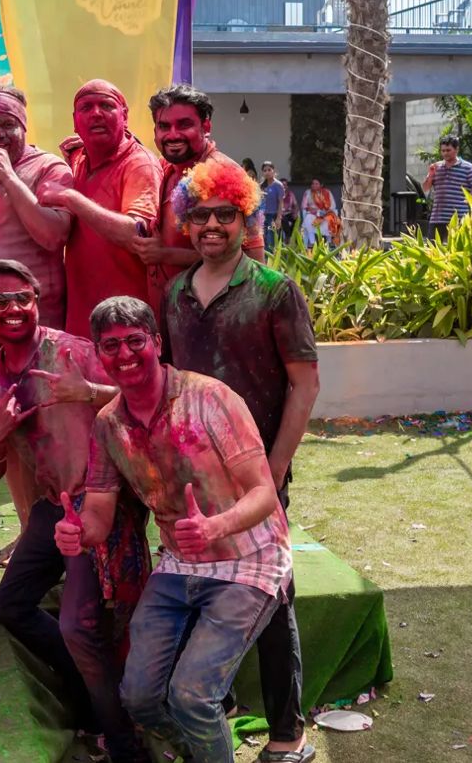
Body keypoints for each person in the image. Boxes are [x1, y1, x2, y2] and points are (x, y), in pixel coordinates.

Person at [58, 297, 295, 763]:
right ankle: (200, 751)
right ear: (98, 353)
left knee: (192, 696)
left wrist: (214, 526)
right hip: (181, 564)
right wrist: (79, 532)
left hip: (250, 558)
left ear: (156, 343)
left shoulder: (210, 398)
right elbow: (100, 513)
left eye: (134, 341)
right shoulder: (108, 423)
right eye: (110, 346)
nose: (124, 354)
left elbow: (264, 492)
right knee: (139, 697)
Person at [163, 159, 320, 763]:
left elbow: (304, 385)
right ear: (185, 220)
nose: (211, 226)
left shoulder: (276, 291)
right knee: (201, 588)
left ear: (245, 217)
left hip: (258, 475)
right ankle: (217, 707)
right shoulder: (175, 294)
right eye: (200, 215)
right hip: (192, 478)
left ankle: (288, 734)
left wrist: (274, 473)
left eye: (224, 215)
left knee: (272, 599)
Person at [0, 259, 149, 763]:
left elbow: (145, 400)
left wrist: (89, 392)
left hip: (105, 502)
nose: (12, 309)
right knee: (11, 605)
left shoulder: (76, 353)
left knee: (80, 626)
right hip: (54, 508)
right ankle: (93, 697)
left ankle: (122, 742)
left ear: (37, 300)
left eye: (22, 298)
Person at [0, 85, 73, 373]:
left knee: (42, 399)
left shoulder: (49, 168)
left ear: (24, 127)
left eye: (8, 124)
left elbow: (54, 236)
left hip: (36, 326)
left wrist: (8, 176)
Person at [42, 80, 161, 338]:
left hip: (126, 326)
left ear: (124, 116)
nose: (96, 113)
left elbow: (136, 234)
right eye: (86, 107)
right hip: (81, 323)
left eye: (106, 106)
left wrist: (70, 198)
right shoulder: (78, 159)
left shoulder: (139, 163)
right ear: (75, 122)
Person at [138, 86, 264, 309]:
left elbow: (251, 261)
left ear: (206, 127)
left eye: (184, 125)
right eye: (164, 126)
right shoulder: (166, 169)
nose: (173, 135)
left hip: (212, 316)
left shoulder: (225, 175)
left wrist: (166, 255)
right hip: (169, 316)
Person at [423, 134, 472, 240]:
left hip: (459, 217)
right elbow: (425, 188)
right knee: (432, 247)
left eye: (448, 150)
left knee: (458, 248)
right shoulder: (436, 167)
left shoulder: (468, 168)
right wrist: (431, 175)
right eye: (443, 151)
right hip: (437, 218)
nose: (445, 153)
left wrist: (466, 201)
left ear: (456, 150)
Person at [301, 178, 341, 247]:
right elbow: (304, 206)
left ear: (321, 185)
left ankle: (329, 241)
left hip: (326, 213)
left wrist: (326, 211)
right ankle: (312, 242)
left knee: (330, 219)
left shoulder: (327, 192)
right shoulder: (308, 192)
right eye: (313, 184)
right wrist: (313, 209)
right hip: (313, 213)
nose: (314, 185)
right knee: (308, 218)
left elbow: (333, 205)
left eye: (316, 184)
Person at [259, 162, 286, 243]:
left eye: (269, 170)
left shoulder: (278, 185)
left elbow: (281, 203)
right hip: (262, 217)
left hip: (273, 217)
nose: (267, 172)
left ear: (273, 171)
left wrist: (278, 218)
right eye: (265, 170)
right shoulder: (261, 186)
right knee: (263, 239)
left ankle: (271, 252)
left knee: (271, 238)